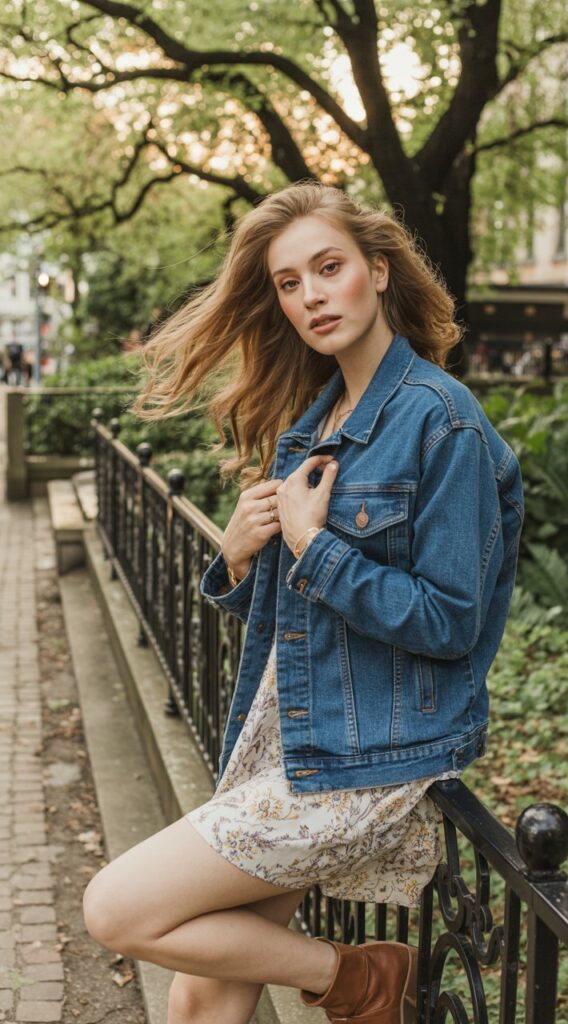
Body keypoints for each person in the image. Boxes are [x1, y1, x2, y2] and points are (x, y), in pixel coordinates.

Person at [82, 182, 524, 1024]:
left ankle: (356, 977)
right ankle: (351, 977)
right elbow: (308, 621)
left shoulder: (442, 421)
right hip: (291, 735)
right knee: (200, 996)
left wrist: (315, 547)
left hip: (365, 759)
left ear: (380, 271)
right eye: (290, 283)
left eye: (330, 268)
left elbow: (449, 621)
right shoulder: (318, 421)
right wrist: (245, 555)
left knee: (117, 909)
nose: (312, 296)